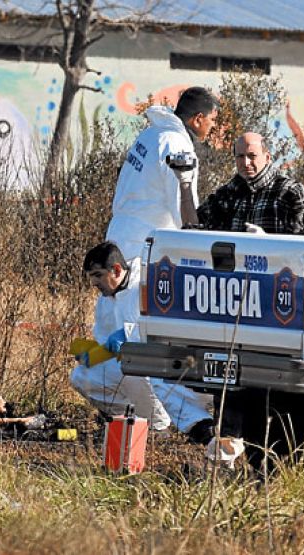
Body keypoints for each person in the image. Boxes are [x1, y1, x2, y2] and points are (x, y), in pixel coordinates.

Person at [105, 86, 220, 261]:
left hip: (120, 236)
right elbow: (182, 209)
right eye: (212, 119)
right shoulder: (177, 146)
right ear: (198, 119)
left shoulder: (151, 133)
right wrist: (198, 246)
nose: (214, 126)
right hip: (144, 246)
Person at [69, 241, 170, 431]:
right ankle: (129, 421)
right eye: (91, 277)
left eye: (98, 275)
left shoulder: (147, 284)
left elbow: (163, 330)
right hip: (126, 363)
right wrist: (93, 353)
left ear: (116, 270)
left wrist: (129, 334)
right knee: (80, 376)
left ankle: (159, 426)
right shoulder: (104, 300)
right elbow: (106, 341)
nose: (94, 283)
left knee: (131, 368)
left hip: (156, 367)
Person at [198, 132, 304, 234]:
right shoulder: (226, 194)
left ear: (267, 158)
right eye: (240, 156)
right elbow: (196, 227)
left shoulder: (291, 192)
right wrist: (185, 185)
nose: (245, 163)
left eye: (252, 156)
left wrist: (266, 241)